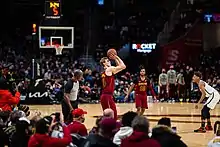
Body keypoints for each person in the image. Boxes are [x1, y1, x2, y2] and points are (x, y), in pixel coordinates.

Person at [100, 54, 126, 120]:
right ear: (104, 63)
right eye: (107, 61)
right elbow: (123, 66)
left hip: (105, 96)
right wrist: (116, 57)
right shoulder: (109, 69)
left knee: (108, 116)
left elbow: (120, 67)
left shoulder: (105, 71)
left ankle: (106, 128)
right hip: (107, 96)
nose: (109, 62)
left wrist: (115, 59)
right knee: (113, 115)